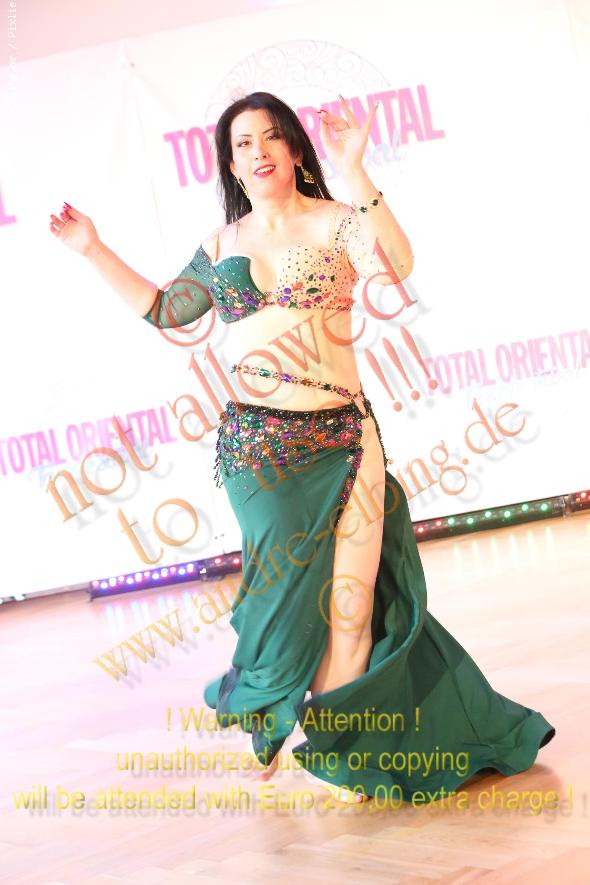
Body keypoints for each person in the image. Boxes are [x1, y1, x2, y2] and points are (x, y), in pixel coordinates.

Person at [49, 91, 555, 806]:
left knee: (350, 603)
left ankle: (343, 752)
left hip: (347, 438)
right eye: (242, 144)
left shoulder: (338, 221)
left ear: (292, 149)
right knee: (284, 604)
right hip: (260, 450)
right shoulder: (222, 244)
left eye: (269, 138)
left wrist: (356, 169)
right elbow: (166, 309)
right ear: (231, 164)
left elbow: (397, 263)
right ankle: (280, 706)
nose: (257, 152)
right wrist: (92, 249)